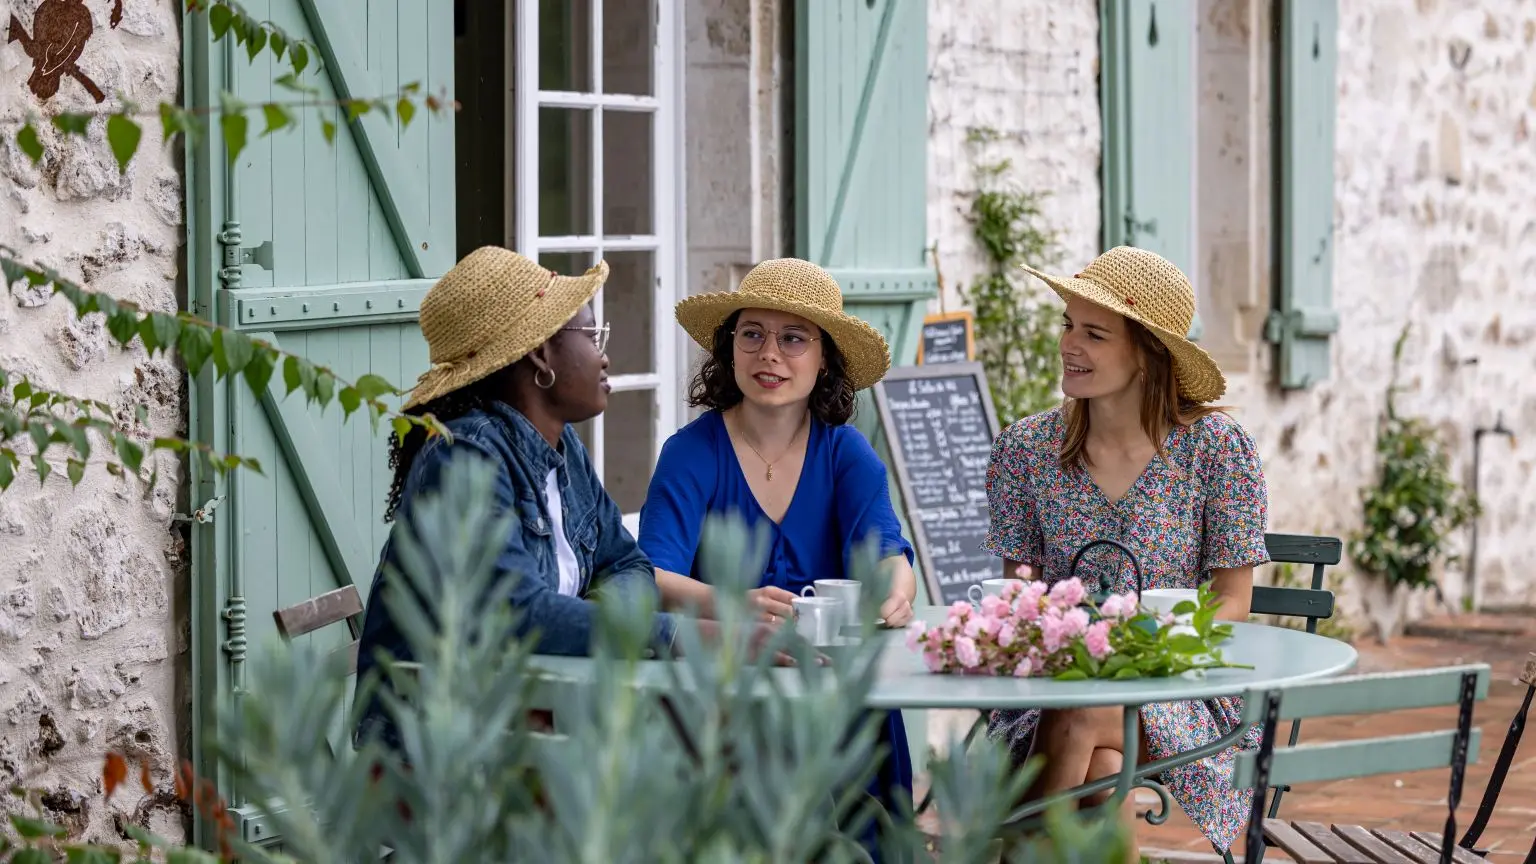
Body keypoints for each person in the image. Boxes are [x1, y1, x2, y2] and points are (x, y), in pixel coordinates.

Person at [352, 246, 771, 751]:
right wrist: (691, 637)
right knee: (732, 748)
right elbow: (521, 617)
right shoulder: (465, 456)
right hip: (447, 763)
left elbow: (628, 566)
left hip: (544, 721)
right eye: (592, 335)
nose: (605, 355)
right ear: (540, 354)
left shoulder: (559, 444)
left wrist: (590, 617)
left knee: (749, 742)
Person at [982, 246, 1270, 858]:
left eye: (1094, 333)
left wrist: (1135, 652)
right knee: (1099, 767)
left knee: (1083, 718)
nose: (1069, 345)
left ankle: (1011, 853)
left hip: (1179, 684)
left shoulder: (1216, 449)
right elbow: (1020, 596)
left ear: (1147, 354)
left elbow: (1232, 600)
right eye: (1067, 325)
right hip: (1053, 684)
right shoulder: (1025, 450)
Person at [636, 257, 919, 857]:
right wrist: (727, 602)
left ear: (825, 361)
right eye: (752, 334)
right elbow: (648, 576)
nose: (770, 354)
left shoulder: (848, 455)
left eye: (793, 338)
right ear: (729, 348)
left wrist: (896, 590)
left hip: (837, 700)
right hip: (721, 699)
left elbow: (889, 554)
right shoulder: (690, 452)